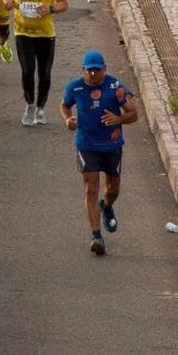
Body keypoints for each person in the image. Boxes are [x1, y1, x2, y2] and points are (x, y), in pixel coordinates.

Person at [60, 50, 138, 256]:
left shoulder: (115, 87)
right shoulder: (74, 87)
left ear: (105, 68)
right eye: (89, 71)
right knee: (90, 188)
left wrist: (118, 119)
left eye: (97, 70)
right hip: (87, 145)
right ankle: (96, 236)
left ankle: (107, 205)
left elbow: (133, 114)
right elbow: (65, 105)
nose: (93, 74)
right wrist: (67, 119)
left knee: (113, 188)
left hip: (112, 145)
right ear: (83, 70)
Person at [0, 0, 69, 127]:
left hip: (46, 33)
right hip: (23, 31)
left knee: (44, 73)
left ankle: (40, 108)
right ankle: (30, 105)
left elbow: (64, 3)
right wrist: (7, 2)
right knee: (27, 70)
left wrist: (51, 8)